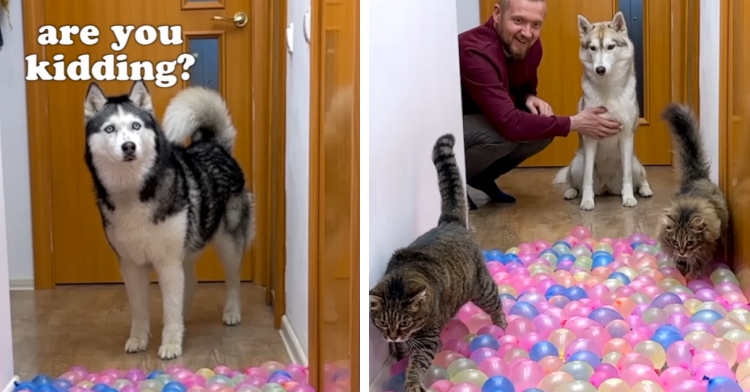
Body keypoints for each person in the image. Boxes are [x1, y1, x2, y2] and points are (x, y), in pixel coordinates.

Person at [458, 0, 622, 210]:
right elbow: (508, 122)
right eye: (518, 20)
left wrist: (528, 97)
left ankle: (481, 177)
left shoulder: (530, 46)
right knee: (502, 136)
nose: (527, 33)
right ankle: (452, 186)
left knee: (543, 129)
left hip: (487, 117)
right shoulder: (476, 51)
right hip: (446, 127)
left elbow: (523, 87)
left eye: (536, 24)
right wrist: (574, 123)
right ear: (498, 14)